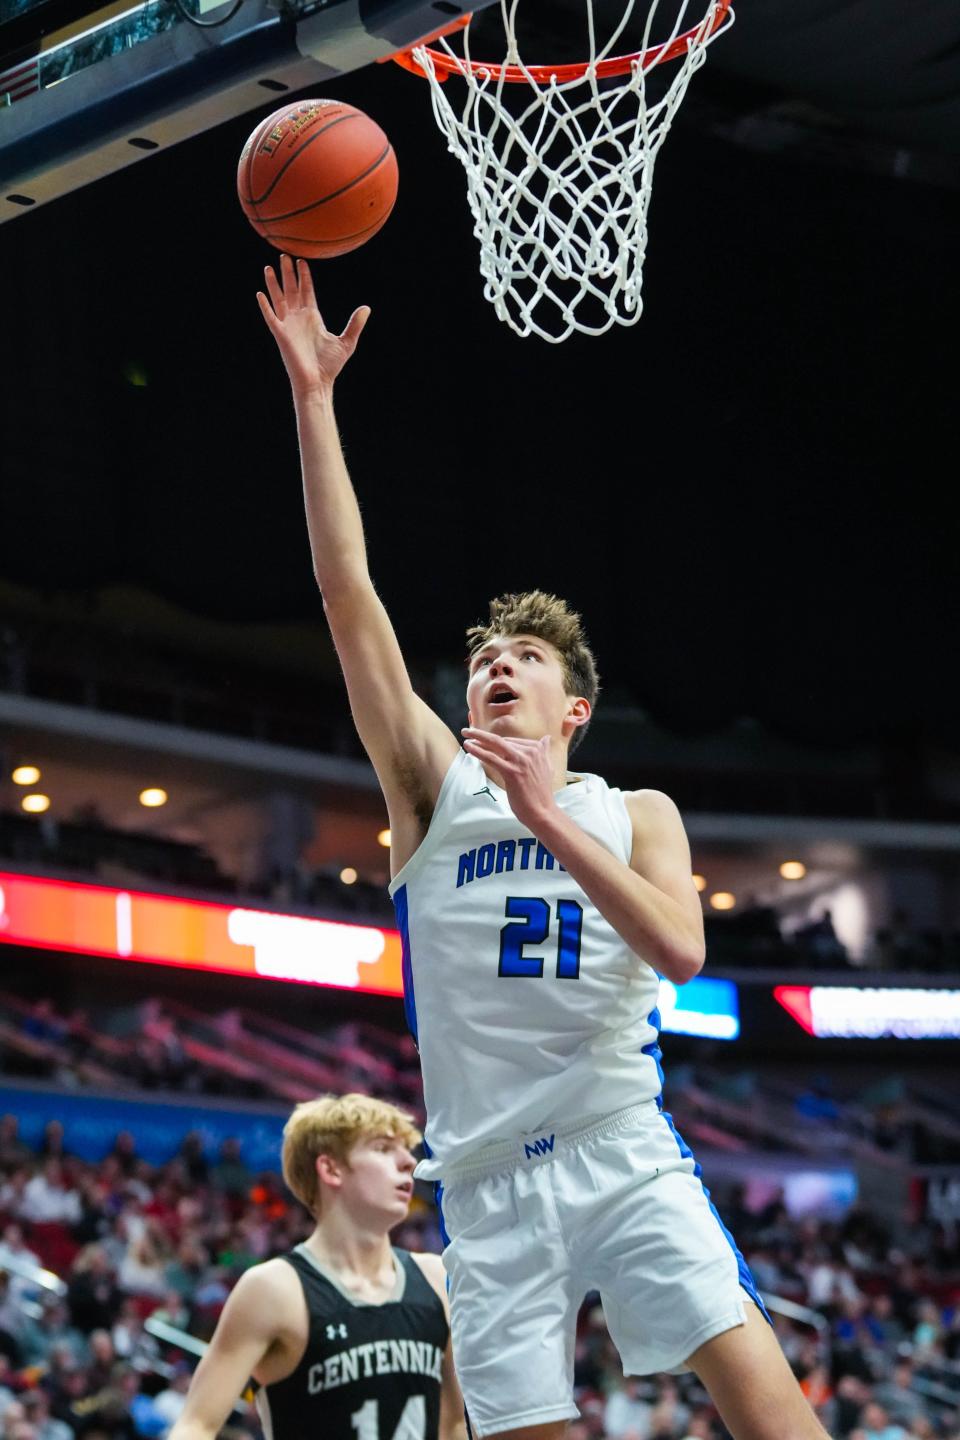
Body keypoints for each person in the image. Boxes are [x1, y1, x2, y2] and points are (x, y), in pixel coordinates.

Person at [256, 255, 832, 1440]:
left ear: (574, 711)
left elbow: (679, 952)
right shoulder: (432, 786)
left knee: (774, 1418)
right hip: (484, 1184)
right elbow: (346, 592)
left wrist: (550, 820)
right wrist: (316, 400)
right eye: (483, 660)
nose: (496, 667)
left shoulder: (638, 812)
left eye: (524, 661)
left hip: (621, 1144)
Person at [168, 1094, 462, 1440]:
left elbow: (454, 1424)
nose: (405, 1161)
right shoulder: (274, 1289)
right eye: (383, 1149)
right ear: (331, 1169)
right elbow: (196, 1425)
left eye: (405, 1150)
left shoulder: (435, 1276)